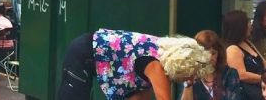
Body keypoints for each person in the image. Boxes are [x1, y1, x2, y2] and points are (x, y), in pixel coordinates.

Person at [56, 29, 211, 100]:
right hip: (85, 53)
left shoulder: (160, 54)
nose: (191, 79)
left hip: (97, 56)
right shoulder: (155, 66)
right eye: (191, 74)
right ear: (183, 66)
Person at [181, 30, 242, 100]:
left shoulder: (229, 74)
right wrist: (189, 84)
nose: (209, 58)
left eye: (213, 53)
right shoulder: (190, 75)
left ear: (219, 54)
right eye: (205, 54)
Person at [222, 9, 266, 100]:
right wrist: (265, 78)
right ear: (240, 27)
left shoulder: (248, 43)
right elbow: (241, 75)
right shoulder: (233, 49)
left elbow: (265, 64)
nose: (251, 25)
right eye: (248, 23)